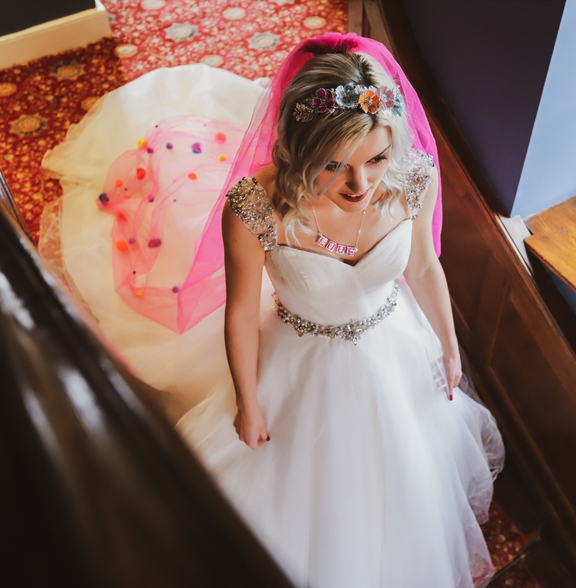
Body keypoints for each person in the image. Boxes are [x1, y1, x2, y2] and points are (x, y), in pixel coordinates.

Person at [40, 33, 504, 588]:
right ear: (301, 152)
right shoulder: (255, 207)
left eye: (377, 159)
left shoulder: (415, 178)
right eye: (335, 166)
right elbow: (239, 313)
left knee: (404, 478)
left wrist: (448, 345)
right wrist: (249, 401)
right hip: (300, 361)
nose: (360, 185)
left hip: (394, 348)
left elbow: (424, 268)